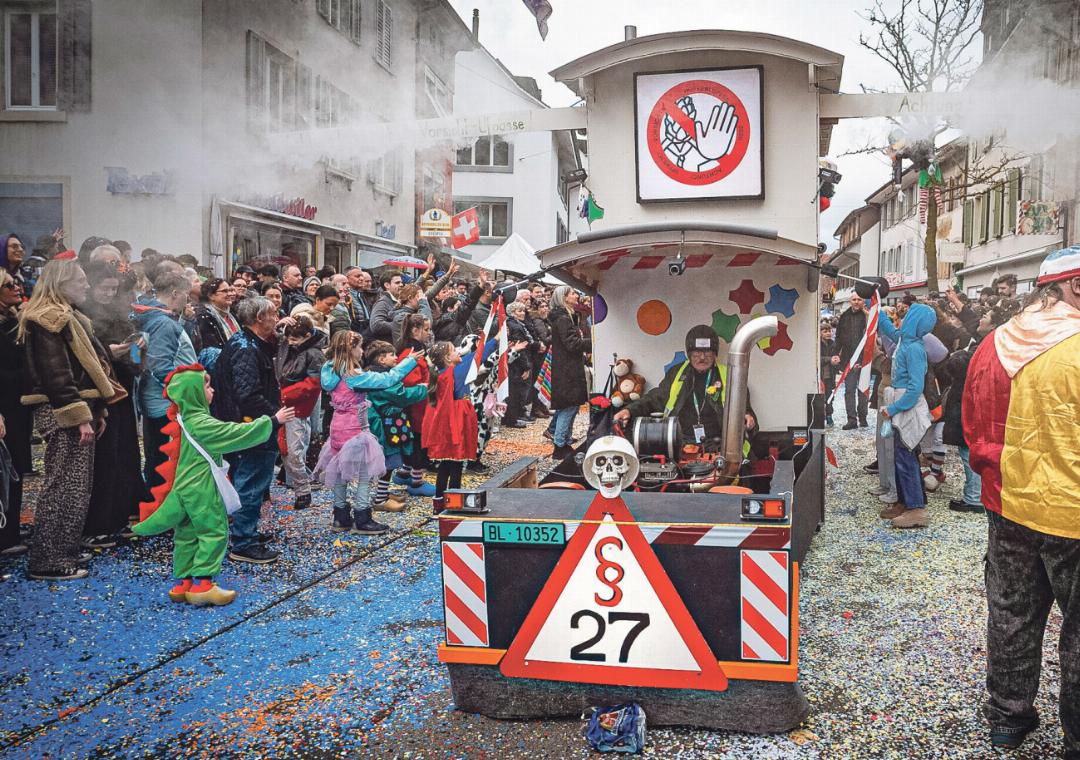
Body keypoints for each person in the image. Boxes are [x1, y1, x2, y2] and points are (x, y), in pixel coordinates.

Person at [963, 247, 1080, 755]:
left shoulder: (993, 342)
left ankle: (1008, 718)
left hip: (1007, 504)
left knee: (1011, 616)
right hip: (1073, 514)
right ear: (1074, 286)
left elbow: (970, 424)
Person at [132, 366, 294, 605]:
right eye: (206, 386)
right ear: (194, 393)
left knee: (186, 534)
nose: (212, 390)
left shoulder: (185, 419)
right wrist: (271, 421)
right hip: (201, 486)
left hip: (184, 485)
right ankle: (202, 585)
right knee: (213, 530)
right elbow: (232, 434)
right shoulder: (200, 422)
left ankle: (183, 583)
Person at [19, 257, 121, 580]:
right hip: (63, 412)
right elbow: (57, 375)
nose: (86, 285)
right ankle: (49, 560)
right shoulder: (48, 320)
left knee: (75, 486)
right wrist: (79, 416)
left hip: (76, 409)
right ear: (61, 284)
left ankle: (63, 550)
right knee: (64, 486)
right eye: (80, 281)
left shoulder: (66, 317)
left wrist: (96, 411)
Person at [316, 334, 420, 532]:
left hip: (336, 427)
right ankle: (362, 516)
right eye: (359, 347)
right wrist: (408, 362)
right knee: (365, 473)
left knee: (339, 471)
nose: (362, 351)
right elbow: (387, 379)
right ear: (351, 350)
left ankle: (340, 516)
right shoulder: (353, 376)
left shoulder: (329, 370)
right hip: (355, 428)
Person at [212, 296, 288, 564]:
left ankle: (246, 533)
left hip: (247, 423)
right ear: (259, 318)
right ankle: (244, 542)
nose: (277, 318)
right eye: (273, 314)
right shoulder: (246, 348)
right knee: (251, 482)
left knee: (248, 479)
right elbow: (248, 395)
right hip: (251, 426)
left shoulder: (250, 343)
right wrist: (274, 416)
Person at [80, 262, 147, 547]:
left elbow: (134, 361)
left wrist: (137, 349)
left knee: (126, 455)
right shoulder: (84, 316)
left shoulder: (120, 315)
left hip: (123, 390)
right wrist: (110, 353)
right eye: (104, 289)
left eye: (113, 289)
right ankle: (99, 523)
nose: (109, 294)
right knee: (106, 460)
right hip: (100, 395)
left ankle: (119, 516)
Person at [614, 325, 757, 450]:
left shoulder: (730, 375)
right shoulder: (676, 373)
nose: (702, 357)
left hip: (719, 444)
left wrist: (747, 417)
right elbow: (654, 398)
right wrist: (629, 410)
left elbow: (744, 408)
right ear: (689, 354)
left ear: (715, 354)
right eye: (697, 352)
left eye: (707, 352)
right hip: (681, 443)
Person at [133, 272, 198, 493]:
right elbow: (160, 366)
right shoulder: (163, 323)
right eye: (186, 295)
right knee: (164, 463)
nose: (187, 301)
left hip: (155, 401)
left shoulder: (148, 316)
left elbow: (137, 357)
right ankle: (159, 507)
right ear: (175, 293)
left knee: (157, 458)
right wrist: (185, 394)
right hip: (166, 405)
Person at [876, 303, 937, 528]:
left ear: (915, 320)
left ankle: (916, 508)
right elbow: (890, 330)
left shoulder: (914, 349)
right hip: (902, 404)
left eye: (909, 314)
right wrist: (876, 309)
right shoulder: (906, 339)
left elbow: (915, 388)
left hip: (907, 407)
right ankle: (905, 501)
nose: (904, 317)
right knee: (901, 455)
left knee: (906, 457)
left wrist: (893, 408)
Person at [363, 340, 431, 507]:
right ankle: (380, 499)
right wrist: (423, 388)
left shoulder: (374, 374)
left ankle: (382, 493)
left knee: (388, 461)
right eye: (391, 355)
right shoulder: (382, 380)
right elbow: (401, 395)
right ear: (381, 359)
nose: (396, 357)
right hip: (385, 427)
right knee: (388, 462)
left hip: (386, 424)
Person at [273, 315, 325, 510]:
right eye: (288, 338)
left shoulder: (314, 355)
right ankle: (301, 487)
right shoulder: (290, 347)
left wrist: (284, 395)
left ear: (307, 336)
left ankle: (303, 488)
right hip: (286, 404)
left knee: (294, 451)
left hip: (296, 407)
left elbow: (312, 385)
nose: (290, 342)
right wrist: (279, 327)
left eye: (295, 339)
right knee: (285, 450)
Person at [422, 341, 479, 515]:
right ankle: (453, 506)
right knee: (455, 466)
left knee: (445, 466)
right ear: (447, 358)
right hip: (455, 424)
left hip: (446, 425)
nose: (459, 351)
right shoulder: (454, 372)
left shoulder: (441, 374)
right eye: (454, 350)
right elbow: (477, 358)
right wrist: (494, 341)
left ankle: (439, 505)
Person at [0, 270, 30, 556]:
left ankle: (10, 530)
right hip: (5, 407)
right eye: (9, 285)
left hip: (17, 407)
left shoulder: (13, 320)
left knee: (16, 467)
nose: (17, 287)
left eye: (16, 282)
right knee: (5, 468)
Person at [546, 286, 591, 459]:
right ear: (564, 298)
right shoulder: (563, 319)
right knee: (568, 407)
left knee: (571, 406)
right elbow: (572, 344)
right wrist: (593, 341)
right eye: (572, 293)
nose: (576, 295)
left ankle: (564, 441)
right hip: (567, 369)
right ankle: (559, 445)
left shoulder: (567, 317)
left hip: (567, 367)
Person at [833, 293, 869, 429]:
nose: (856, 302)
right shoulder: (844, 317)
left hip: (864, 360)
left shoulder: (867, 316)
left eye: (859, 299)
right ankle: (852, 419)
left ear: (863, 301)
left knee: (863, 390)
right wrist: (836, 354)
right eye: (854, 299)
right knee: (849, 390)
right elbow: (838, 338)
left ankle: (863, 417)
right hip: (848, 360)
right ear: (850, 301)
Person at [502, 301, 536, 428]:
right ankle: (512, 419)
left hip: (514, 361)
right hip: (516, 363)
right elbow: (520, 348)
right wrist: (526, 367)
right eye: (519, 311)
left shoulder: (515, 324)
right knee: (515, 392)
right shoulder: (516, 327)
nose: (522, 313)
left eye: (523, 311)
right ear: (512, 313)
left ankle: (510, 417)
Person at [194, 277, 239, 351]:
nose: (230, 294)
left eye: (230, 290)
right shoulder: (204, 318)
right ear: (211, 296)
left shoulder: (232, 314)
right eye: (225, 291)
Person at [368, 270, 404, 341]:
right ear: (387, 285)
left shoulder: (397, 301)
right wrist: (402, 325)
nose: (401, 285)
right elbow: (376, 325)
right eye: (397, 283)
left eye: (401, 282)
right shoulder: (383, 303)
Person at [819, 322, 835, 427]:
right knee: (820, 397)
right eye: (825, 331)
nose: (828, 333)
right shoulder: (817, 345)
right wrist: (829, 359)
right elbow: (818, 359)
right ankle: (820, 417)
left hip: (830, 376)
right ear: (820, 333)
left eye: (829, 331)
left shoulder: (833, 344)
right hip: (820, 376)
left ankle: (829, 416)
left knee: (829, 397)